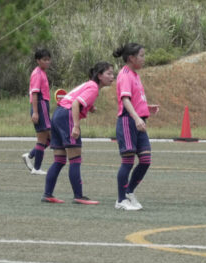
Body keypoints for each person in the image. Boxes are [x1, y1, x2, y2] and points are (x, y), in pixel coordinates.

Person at [42, 62, 113, 205]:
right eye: (109, 73)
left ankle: (47, 194)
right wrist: (76, 126)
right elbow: (75, 104)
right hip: (66, 117)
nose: (112, 77)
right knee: (75, 159)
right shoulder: (93, 88)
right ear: (100, 76)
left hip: (58, 115)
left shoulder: (89, 84)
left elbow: (75, 97)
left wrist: (90, 107)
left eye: (113, 74)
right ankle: (78, 196)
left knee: (59, 160)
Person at [113, 42, 159, 211]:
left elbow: (134, 99)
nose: (144, 58)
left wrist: (146, 109)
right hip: (128, 121)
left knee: (145, 160)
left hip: (139, 122)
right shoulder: (125, 74)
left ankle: (129, 191)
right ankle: (121, 200)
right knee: (128, 161)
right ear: (131, 58)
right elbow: (125, 99)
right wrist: (137, 118)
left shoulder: (135, 75)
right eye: (141, 55)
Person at [21, 48, 52, 175]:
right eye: (44, 60)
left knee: (49, 138)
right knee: (43, 138)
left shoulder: (42, 72)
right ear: (38, 60)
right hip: (40, 105)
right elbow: (34, 93)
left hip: (44, 105)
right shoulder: (37, 73)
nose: (47, 62)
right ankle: (36, 168)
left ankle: (30, 156)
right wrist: (35, 112)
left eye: (49, 59)